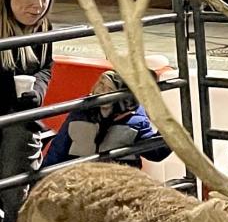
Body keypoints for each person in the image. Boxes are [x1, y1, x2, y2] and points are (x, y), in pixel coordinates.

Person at [0, 0, 57, 222]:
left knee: (16, 181)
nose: (38, 5)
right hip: (7, 112)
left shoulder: (43, 28)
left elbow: (46, 67)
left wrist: (38, 92)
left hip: (20, 121)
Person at [41, 70, 171, 169]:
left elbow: (155, 153)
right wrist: (44, 177)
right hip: (80, 177)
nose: (102, 91)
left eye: (110, 89)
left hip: (116, 181)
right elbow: (59, 149)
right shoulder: (81, 111)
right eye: (101, 84)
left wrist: (171, 133)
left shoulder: (135, 121)